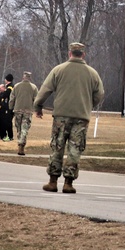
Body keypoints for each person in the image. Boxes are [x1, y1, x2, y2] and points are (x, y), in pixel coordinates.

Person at [34, 42, 104, 195]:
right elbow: (99, 94)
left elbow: (45, 89)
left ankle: (53, 181)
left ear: (69, 53)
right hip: (81, 118)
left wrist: (38, 105)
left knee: (57, 147)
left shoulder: (58, 70)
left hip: (61, 116)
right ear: (83, 54)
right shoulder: (92, 73)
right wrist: (87, 104)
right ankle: (68, 183)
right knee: (75, 149)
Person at [10, 71, 38, 156]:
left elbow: (12, 98)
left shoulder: (16, 86)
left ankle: (20, 143)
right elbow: (36, 99)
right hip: (28, 111)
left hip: (18, 109)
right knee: (24, 129)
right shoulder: (33, 87)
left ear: (23, 77)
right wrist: (36, 108)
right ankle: (22, 144)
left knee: (18, 128)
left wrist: (11, 108)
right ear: (30, 78)